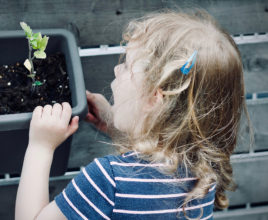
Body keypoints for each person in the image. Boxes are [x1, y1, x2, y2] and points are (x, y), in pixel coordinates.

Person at [15, 9, 247, 220]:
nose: (117, 69)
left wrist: (40, 147)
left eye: (126, 65)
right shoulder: (204, 176)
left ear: (154, 98)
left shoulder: (109, 180)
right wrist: (112, 126)